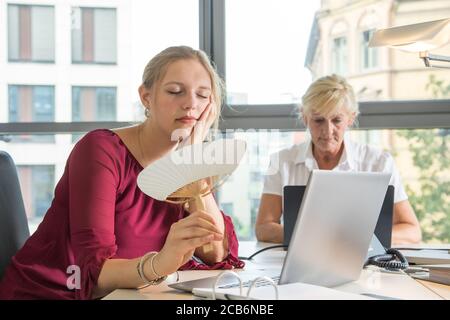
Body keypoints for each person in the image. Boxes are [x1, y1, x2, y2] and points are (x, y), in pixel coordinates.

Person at [0, 46, 244, 300]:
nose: (191, 104)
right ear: (146, 97)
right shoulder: (101, 151)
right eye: (175, 91)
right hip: (51, 293)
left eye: (203, 95)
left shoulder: (188, 160)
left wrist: (191, 162)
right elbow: (94, 273)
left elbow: (216, 252)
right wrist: (159, 264)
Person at [256, 74, 422, 246]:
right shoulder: (281, 161)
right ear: (305, 117)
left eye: (336, 120)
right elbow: (264, 228)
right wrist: (319, 237)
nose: (327, 131)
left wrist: (357, 239)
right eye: (318, 120)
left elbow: (412, 231)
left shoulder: (379, 162)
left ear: (351, 118)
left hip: (362, 261)